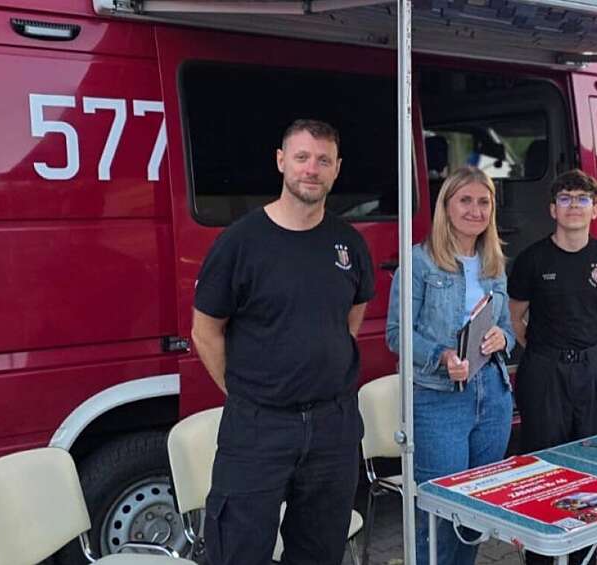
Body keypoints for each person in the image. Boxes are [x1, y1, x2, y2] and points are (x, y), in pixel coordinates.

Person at [190, 119, 374, 565]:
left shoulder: (348, 244)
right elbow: (205, 330)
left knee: (319, 553)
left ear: (336, 170)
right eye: (302, 157)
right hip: (258, 430)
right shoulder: (240, 242)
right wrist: (245, 394)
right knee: (239, 551)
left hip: (334, 429)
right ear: (281, 162)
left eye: (323, 160)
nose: (312, 169)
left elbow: (348, 322)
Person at [386, 166, 516, 565]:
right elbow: (397, 334)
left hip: (492, 395)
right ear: (446, 205)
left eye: (484, 202)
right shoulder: (419, 262)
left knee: (476, 511)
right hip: (439, 400)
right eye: (466, 200)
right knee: (441, 511)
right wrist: (442, 357)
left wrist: (501, 340)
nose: (475, 211)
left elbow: (508, 330)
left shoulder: (493, 262)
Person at [507, 169, 597, 565]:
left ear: (595, 209)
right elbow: (515, 319)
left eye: (582, 199)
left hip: (592, 372)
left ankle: (584, 555)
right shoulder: (532, 259)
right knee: (543, 465)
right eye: (565, 198)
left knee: (591, 463)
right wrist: (548, 351)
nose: (574, 205)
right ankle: (542, 555)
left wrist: (589, 350)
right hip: (544, 371)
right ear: (552, 209)